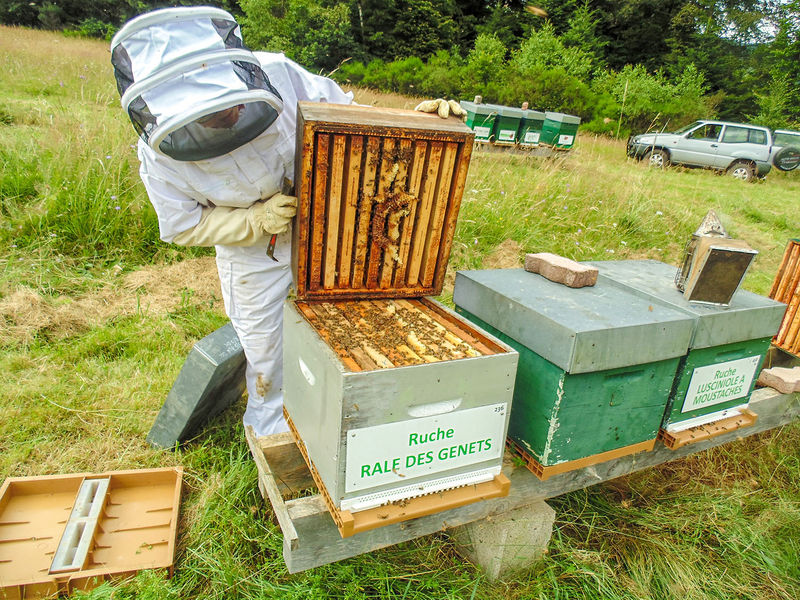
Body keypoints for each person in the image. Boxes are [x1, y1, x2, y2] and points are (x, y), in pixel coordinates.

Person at [111, 6, 461, 437]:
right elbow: (182, 225)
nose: (229, 116)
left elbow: (349, 117)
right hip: (255, 257)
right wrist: (254, 220)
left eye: (233, 103)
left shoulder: (279, 71)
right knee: (269, 359)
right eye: (211, 116)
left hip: (336, 230)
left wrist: (414, 119)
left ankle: (346, 429)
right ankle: (273, 443)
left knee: (351, 334)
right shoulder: (160, 152)